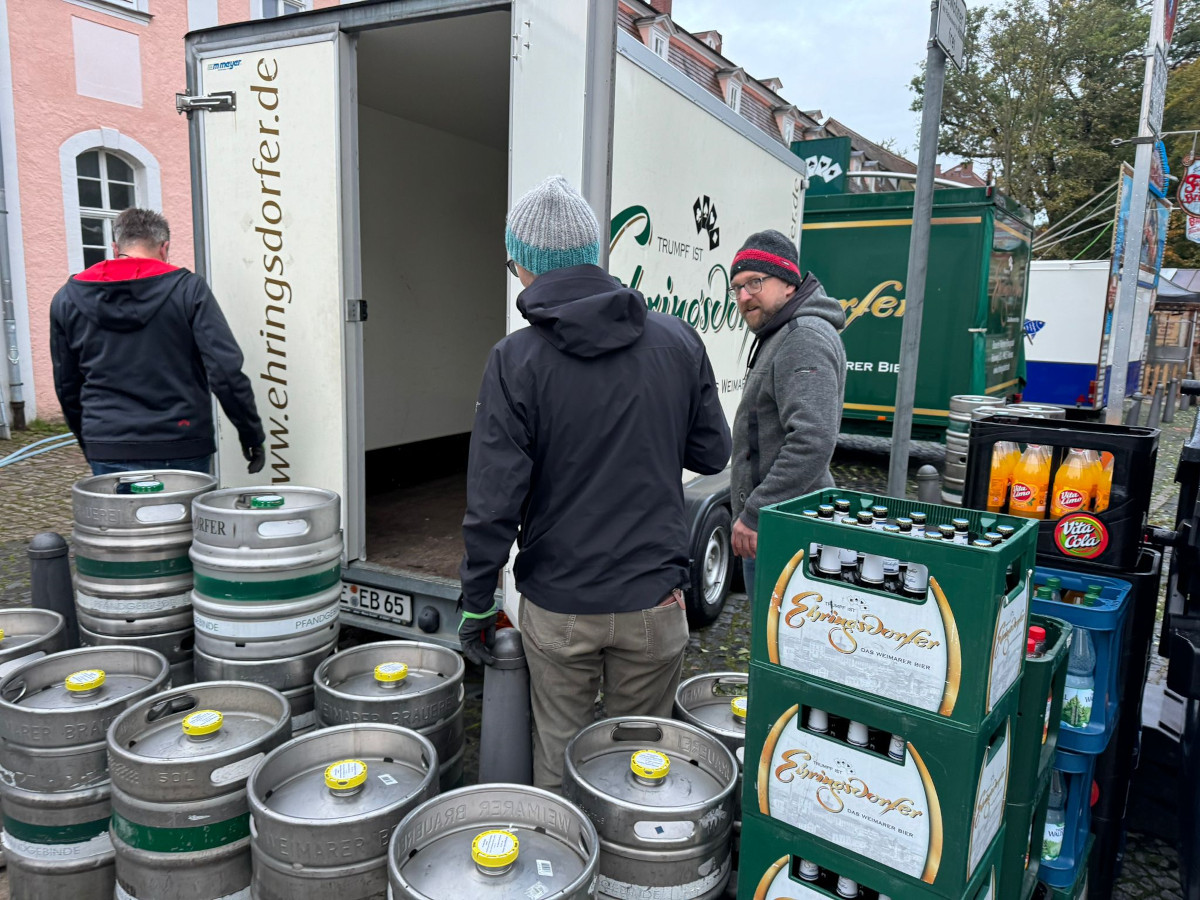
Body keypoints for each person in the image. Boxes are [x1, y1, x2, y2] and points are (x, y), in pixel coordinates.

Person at [458, 175, 732, 792]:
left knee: (561, 766)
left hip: (560, 605)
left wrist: (478, 601)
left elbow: (493, 501)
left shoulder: (515, 360)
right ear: (592, 256)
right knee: (640, 771)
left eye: (512, 264)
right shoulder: (677, 341)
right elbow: (713, 449)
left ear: (527, 265)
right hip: (654, 600)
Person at [50, 207, 265, 476]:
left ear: (116, 248)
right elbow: (225, 371)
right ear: (164, 248)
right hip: (181, 441)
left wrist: (90, 440)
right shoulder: (188, 290)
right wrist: (250, 434)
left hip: (107, 441)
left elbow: (66, 383)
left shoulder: (67, 299)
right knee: (182, 519)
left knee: (119, 519)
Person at [728, 229, 846, 596]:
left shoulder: (802, 338)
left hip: (789, 531)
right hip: (785, 526)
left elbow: (812, 439)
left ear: (789, 285)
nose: (744, 296)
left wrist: (755, 513)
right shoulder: (784, 332)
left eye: (755, 283)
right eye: (736, 288)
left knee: (780, 647)